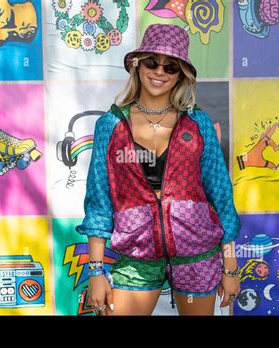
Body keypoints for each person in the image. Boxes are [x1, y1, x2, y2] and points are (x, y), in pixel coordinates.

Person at [76, 23, 241, 316]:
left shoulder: (197, 124)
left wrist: (229, 265)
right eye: (152, 62)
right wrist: (96, 271)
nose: (160, 72)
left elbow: (221, 196)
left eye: (171, 67)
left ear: (182, 74)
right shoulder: (111, 126)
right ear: (137, 66)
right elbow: (99, 202)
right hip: (136, 257)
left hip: (198, 257)